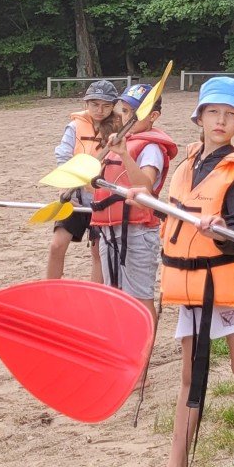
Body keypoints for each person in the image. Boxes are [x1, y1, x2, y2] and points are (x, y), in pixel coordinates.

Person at [125, 78, 234, 467]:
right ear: (199, 117)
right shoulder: (189, 161)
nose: (220, 120)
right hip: (190, 283)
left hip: (226, 283)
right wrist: (145, 199)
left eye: (230, 115)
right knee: (189, 377)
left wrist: (223, 231)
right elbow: (173, 213)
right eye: (213, 112)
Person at [89, 83, 180, 304]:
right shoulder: (122, 142)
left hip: (138, 232)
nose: (126, 117)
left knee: (140, 298)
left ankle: (146, 330)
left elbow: (144, 187)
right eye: (124, 110)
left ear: (153, 116)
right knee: (115, 296)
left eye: (133, 112)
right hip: (111, 230)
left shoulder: (151, 148)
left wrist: (124, 155)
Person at [47, 78, 121, 282]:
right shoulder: (74, 127)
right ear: (86, 103)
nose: (100, 110)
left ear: (113, 106)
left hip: (102, 198)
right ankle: (50, 289)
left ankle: (95, 294)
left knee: (98, 252)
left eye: (106, 106)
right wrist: (65, 188)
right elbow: (63, 156)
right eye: (95, 104)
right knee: (56, 245)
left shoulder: (119, 128)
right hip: (75, 195)